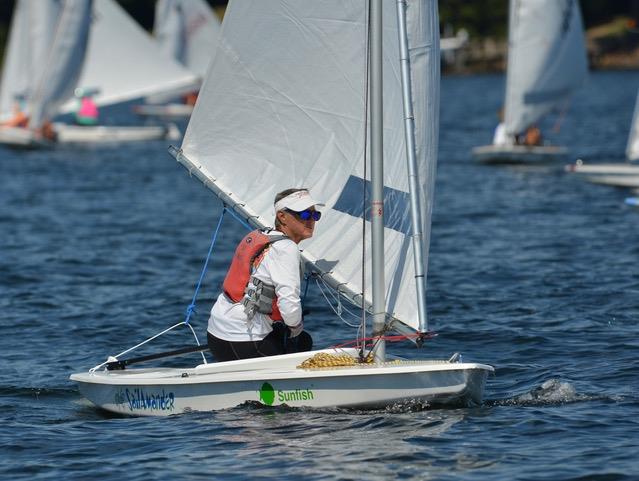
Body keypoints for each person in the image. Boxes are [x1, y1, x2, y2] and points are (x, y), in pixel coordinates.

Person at [207, 188, 324, 362]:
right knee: (302, 342)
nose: (311, 221)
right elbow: (289, 305)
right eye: (304, 215)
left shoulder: (259, 235)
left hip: (216, 336)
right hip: (243, 341)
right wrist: (295, 328)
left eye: (315, 215)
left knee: (298, 340)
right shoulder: (287, 248)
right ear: (282, 216)